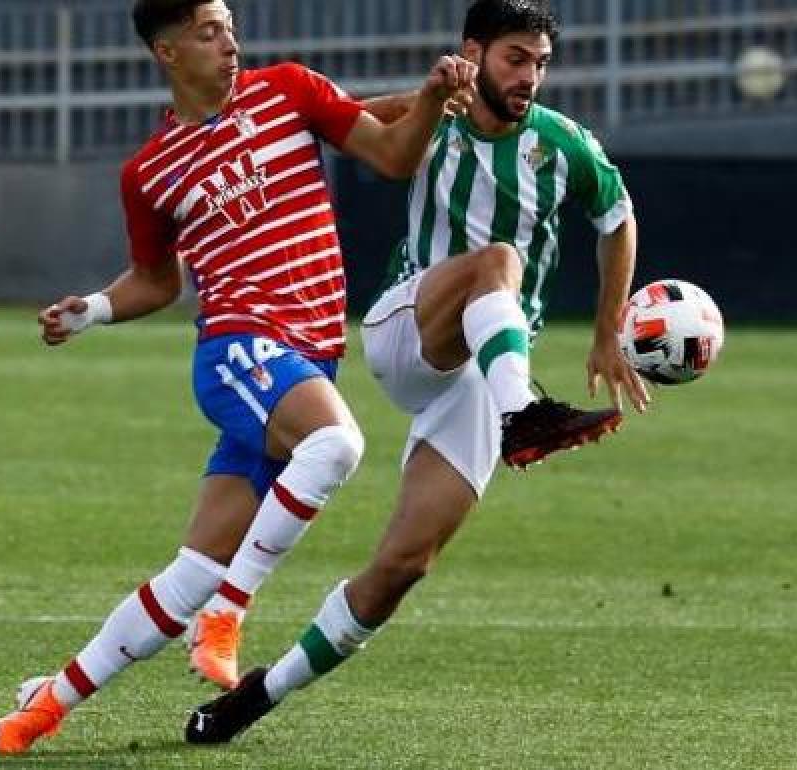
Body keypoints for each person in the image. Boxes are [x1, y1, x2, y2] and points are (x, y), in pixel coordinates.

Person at [0, 0, 479, 754]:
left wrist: (432, 100)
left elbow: (391, 155)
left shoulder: (287, 89)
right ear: (168, 51)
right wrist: (90, 309)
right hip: (239, 349)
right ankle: (228, 615)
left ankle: (45, 705)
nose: (229, 43)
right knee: (338, 447)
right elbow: (156, 281)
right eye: (209, 32)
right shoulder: (149, 171)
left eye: (229, 26)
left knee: (190, 570)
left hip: (304, 358)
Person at [184, 0, 651, 743]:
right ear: (473, 52)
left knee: (404, 565)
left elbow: (616, 217)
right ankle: (524, 412)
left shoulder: (563, 145)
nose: (528, 75)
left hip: (476, 377)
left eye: (539, 62)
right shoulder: (435, 113)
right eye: (513, 58)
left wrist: (606, 332)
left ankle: (255, 697)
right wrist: (425, 98)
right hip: (408, 330)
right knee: (498, 260)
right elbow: (342, 129)